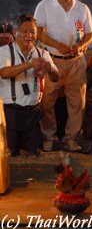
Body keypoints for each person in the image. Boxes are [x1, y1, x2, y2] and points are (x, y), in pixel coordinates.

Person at [34, 0, 92, 152]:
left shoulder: (82, 8)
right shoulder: (44, 5)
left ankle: (71, 138)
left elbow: (90, 33)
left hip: (76, 61)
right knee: (47, 100)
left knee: (77, 103)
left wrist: (81, 45)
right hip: (52, 60)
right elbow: (38, 31)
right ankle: (49, 137)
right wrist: (57, 45)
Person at [0, 15, 58, 156]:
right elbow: (4, 73)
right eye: (25, 31)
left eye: (32, 32)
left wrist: (49, 68)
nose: (29, 35)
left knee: (33, 156)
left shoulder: (42, 53)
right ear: (16, 32)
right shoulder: (4, 51)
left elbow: (56, 77)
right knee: (9, 155)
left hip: (32, 114)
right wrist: (30, 64)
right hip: (10, 113)